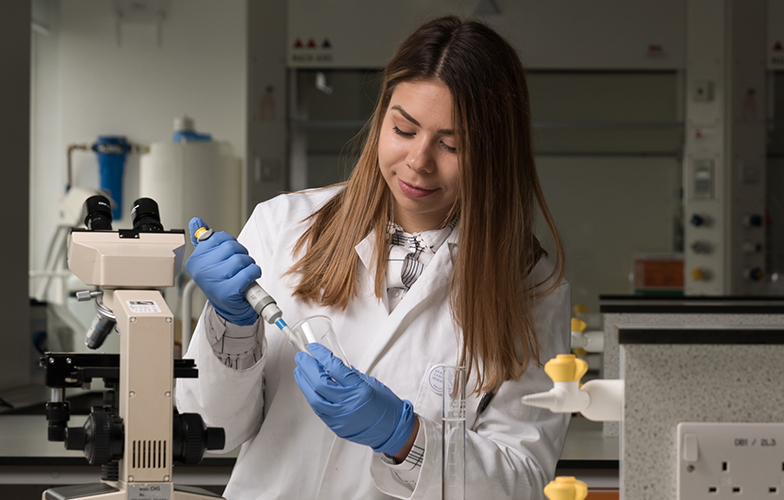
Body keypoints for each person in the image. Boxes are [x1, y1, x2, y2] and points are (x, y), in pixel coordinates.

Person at [176, 16, 570, 500]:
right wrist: (232, 329)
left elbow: (522, 479)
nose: (419, 161)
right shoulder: (284, 226)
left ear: (495, 154)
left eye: (452, 145)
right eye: (403, 129)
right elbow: (211, 427)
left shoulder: (531, 287)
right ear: (382, 117)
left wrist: (405, 438)